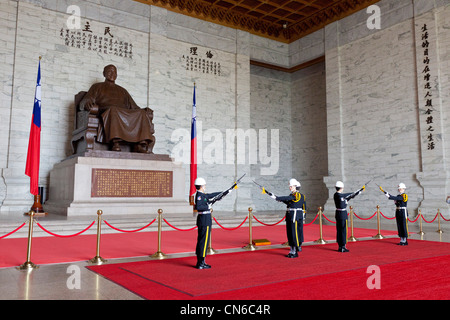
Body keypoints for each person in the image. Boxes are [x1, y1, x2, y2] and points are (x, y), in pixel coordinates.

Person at [80, 64, 155, 153]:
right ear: (104, 74)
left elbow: (134, 106)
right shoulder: (97, 87)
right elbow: (84, 101)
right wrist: (86, 103)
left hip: (122, 112)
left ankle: (140, 144)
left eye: (114, 72)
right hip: (107, 111)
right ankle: (116, 142)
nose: (112, 74)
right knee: (113, 110)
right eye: (109, 71)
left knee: (141, 113)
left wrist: (144, 110)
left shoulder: (122, 90)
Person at [193, 177, 233, 269]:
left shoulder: (202, 195)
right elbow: (199, 207)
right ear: (202, 186)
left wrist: (224, 192)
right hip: (204, 220)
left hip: (204, 220)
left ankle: (201, 261)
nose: (205, 186)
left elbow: (210, 196)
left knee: (202, 241)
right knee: (204, 242)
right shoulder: (199, 195)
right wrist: (208, 207)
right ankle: (200, 263)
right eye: (204, 185)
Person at [266, 179, 306, 258]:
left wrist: (277, 197)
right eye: (290, 186)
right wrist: (275, 197)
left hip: (294, 216)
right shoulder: (292, 195)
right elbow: (288, 201)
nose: (290, 188)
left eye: (291, 186)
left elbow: (289, 198)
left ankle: (294, 251)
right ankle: (292, 250)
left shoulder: (297, 195)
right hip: (290, 216)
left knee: (294, 234)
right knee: (290, 234)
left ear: (295, 186)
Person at [334, 181, 365, 252]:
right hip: (341, 214)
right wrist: (354, 192)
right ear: (341, 187)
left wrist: (358, 192)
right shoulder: (337, 195)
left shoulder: (341, 196)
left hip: (340, 214)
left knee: (341, 230)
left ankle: (341, 246)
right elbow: (346, 195)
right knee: (342, 230)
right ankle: (342, 246)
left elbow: (349, 197)